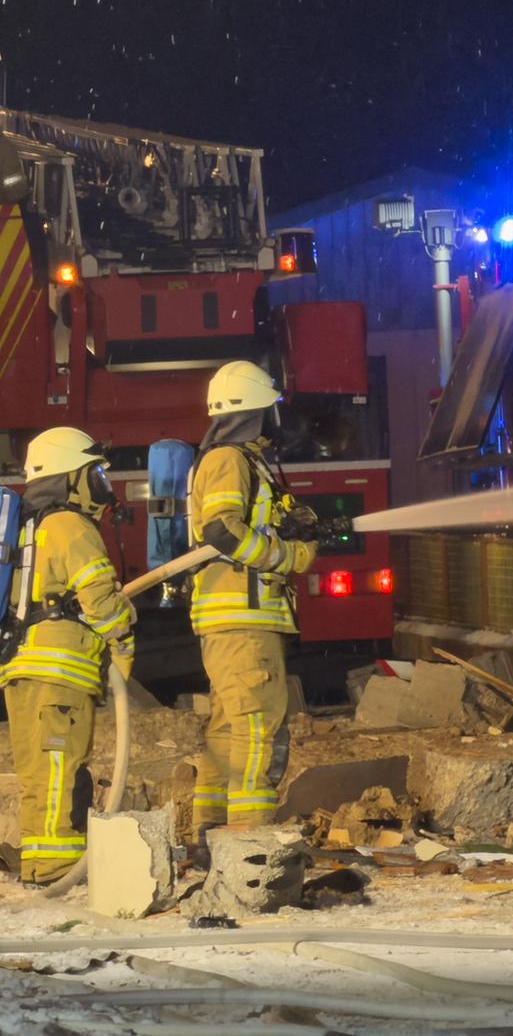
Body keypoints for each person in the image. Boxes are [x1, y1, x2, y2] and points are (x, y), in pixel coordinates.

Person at [188, 360, 317, 841]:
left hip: (234, 621)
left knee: (229, 729)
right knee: (258, 728)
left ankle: (211, 836)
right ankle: (249, 841)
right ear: (256, 411)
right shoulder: (229, 460)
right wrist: (285, 555)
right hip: (243, 619)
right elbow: (222, 530)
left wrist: (293, 523)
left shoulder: (240, 460)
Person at [1, 427, 134, 885]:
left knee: (39, 773)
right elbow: (99, 598)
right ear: (70, 476)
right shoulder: (69, 525)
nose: (102, 484)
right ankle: (59, 870)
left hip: (22, 668)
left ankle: (40, 866)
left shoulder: (32, 526)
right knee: (60, 769)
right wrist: (124, 631)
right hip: (59, 672)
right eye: (94, 473)